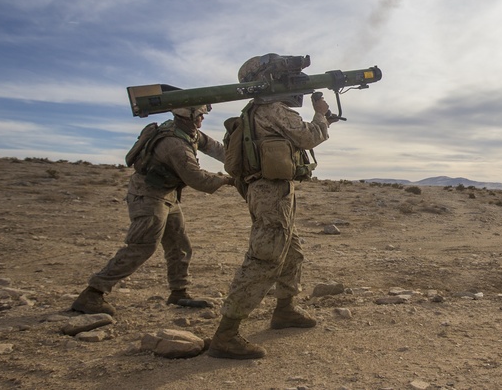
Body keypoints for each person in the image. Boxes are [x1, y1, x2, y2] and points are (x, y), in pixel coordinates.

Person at [208, 54, 333, 360]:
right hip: (271, 194)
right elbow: (308, 137)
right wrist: (322, 115)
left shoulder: (256, 110)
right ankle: (226, 334)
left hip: (271, 192)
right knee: (264, 259)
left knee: (292, 253)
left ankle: (285, 310)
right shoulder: (272, 109)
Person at [71, 104, 234, 315]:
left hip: (166, 194)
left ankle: (179, 293)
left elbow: (217, 149)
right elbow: (198, 179)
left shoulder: (188, 133)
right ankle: (93, 293)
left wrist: (238, 162)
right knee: (142, 245)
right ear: (189, 116)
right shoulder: (175, 144)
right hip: (148, 195)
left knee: (179, 245)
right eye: (201, 114)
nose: (203, 118)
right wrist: (228, 180)